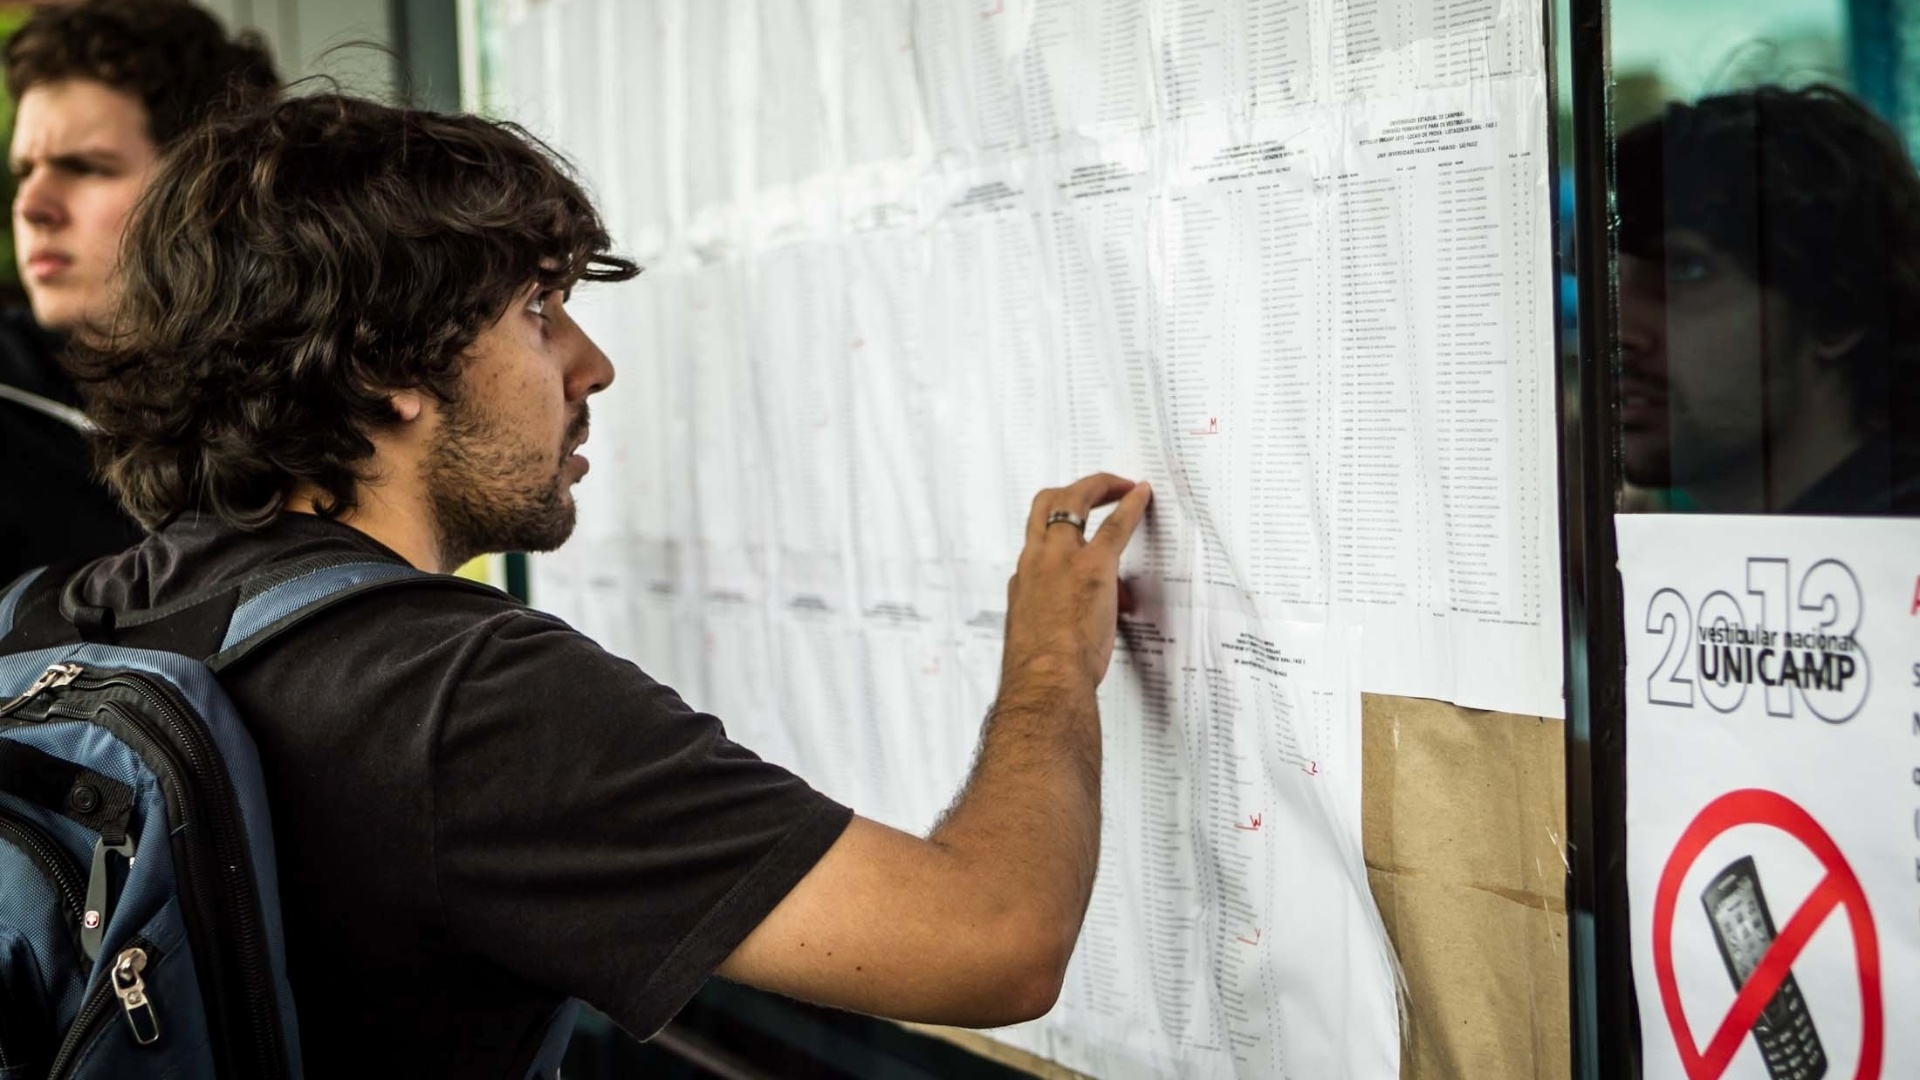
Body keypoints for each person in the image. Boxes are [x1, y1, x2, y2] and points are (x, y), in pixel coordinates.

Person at [24, 92, 1154, 1077]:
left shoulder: (47, 618)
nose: (590, 365)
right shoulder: (458, 694)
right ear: (384, 364)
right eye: (537, 311)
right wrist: (1050, 660)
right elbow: (994, 940)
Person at [0, 0, 279, 580]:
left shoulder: (307, 403)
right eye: (25, 171)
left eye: (87, 167)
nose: (32, 206)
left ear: (207, 189)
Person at [1615, 84, 1920, 514]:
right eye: (1605, 278)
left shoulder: (1894, 543)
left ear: (1838, 312)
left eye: (1684, 270)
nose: (1618, 332)